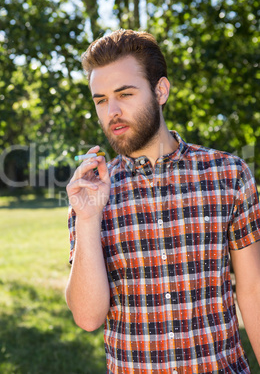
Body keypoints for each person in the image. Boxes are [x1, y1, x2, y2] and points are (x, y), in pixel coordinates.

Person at [65, 29, 260, 373]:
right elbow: (87, 317)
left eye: (124, 93)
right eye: (100, 99)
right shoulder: (90, 194)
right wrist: (87, 217)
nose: (112, 111)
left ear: (160, 90)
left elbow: (254, 292)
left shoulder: (229, 175)